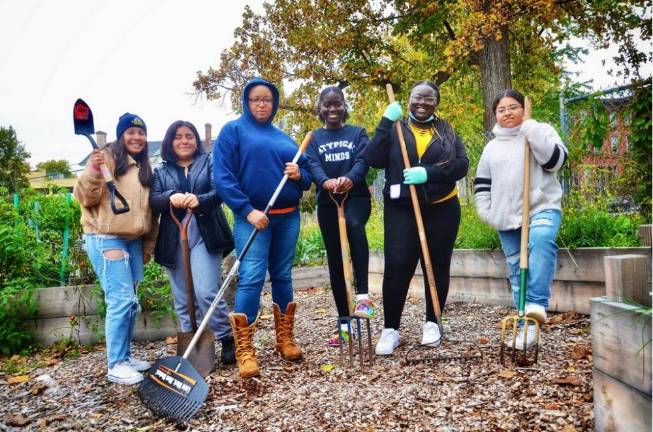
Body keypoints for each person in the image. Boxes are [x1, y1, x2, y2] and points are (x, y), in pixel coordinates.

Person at [213, 77, 312, 378]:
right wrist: (247, 210)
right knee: (252, 277)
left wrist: (298, 174)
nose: (261, 104)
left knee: (282, 275)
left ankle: (285, 340)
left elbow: (307, 176)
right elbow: (223, 177)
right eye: (255, 98)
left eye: (267, 99)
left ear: (274, 103)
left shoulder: (285, 138)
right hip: (253, 217)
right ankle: (245, 350)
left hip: (287, 217)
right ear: (246, 101)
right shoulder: (234, 131)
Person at [364, 80, 469, 356]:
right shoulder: (395, 127)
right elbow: (372, 158)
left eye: (429, 99)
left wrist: (430, 173)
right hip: (402, 208)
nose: (422, 104)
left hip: (442, 207)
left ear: (437, 102)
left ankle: (433, 323)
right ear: (408, 99)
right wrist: (385, 122)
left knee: (436, 265)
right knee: (398, 265)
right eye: (417, 98)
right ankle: (390, 329)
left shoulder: (445, 129)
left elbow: (461, 164)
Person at [474, 89, 567, 350]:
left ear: (523, 109)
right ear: (495, 115)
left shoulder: (542, 130)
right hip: (505, 217)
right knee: (517, 272)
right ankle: (527, 330)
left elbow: (555, 162)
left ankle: (536, 305)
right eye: (501, 109)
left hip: (541, 207)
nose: (507, 113)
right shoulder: (491, 147)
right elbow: (481, 184)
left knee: (541, 240)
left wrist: (532, 131)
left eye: (513, 107)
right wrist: (488, 213)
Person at [74, 113, 158, 384]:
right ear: (121, 135)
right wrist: (93, 170)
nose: (137, 137)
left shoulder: (143, 167)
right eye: (130, 133)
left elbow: (151, 213)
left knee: (131, 302)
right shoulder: (106, 159)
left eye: (141, 133)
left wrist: (148, 246)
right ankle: (116, 364)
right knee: (120, 300)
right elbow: (85, 198)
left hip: (133, 240)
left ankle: (125, 355)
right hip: (106, 236)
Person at [149, 120, 236, 365]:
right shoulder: (161, 171)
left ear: (196, 140)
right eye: (178, 137)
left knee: (206, 291)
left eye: (189, 136)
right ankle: (193, 344)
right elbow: (154, 200)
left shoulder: (208, 162)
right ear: (170, 141)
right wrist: (171, 196)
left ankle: (226, 336)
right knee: (182, 296)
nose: (184, 141)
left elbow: (219, 191)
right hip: (174, 234)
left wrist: (200, 200)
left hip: (205, 232)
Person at [304, 86, 374, 347]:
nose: (332, 109)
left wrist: (350, 178)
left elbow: (362, 160)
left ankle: (364, 297)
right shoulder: (313, 138)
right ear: (320, 108)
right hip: (328, 201)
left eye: (337, 104)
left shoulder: (357, 132)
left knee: (355, 226)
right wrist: (325, 182)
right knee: (335, 259)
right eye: (327, 105)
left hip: (354, 197)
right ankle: (345, 324)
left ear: (344, 106)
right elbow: (312, 165)